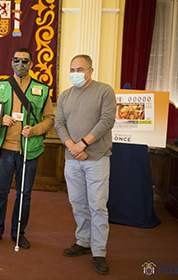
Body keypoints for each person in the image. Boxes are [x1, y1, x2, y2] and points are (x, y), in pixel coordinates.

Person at [0, 48, 54, 249]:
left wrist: (36, 129)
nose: (20, 64)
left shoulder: (42, 89)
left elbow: (50, 118)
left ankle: (18, 232)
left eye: (25, 61)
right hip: (3, 149)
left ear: (31, 63)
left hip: (29, 150)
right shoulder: (0, 86)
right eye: (16, 60)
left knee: (24, 194)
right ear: (11, 62)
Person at [54, 54, 116, 275]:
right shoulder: (65, 95)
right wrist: (72, 146)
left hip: (97, 158)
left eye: (80, 69)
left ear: (91, 71)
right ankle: (83, 241)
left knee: (97, 206)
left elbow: (107, 120)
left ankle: (99, 251)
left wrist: (82, 144)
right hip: (72, 159)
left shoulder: (104, 90)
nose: (75, 74)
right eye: (72, 69)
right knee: (77, 203)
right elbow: (58, 123)